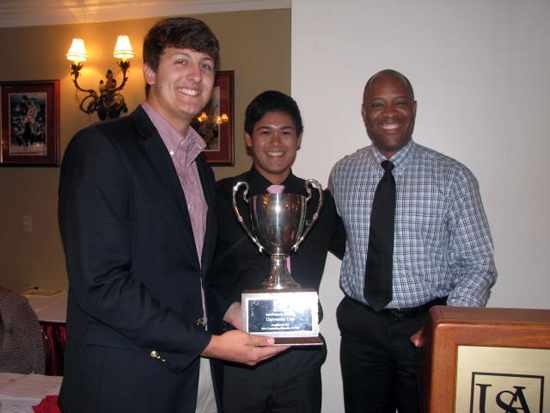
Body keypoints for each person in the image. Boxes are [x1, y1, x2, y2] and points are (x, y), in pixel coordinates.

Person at [57, 18, 286, 413]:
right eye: (180, 61)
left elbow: (191, 277)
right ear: (148, 70)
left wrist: (234, 312)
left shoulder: (199, 166)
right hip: (124, 382)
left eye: (206, 65)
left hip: (193, 377)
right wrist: (212, 344)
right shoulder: (101, 147)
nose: (195, 76)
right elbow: (102, 284)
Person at [329, 69, 497, 413]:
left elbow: (479, 264)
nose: (389, 113)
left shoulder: (453, 177)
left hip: (424, 328)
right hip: (361, 329)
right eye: (378, 104)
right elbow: (344, 241)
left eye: (400, 103)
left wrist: (444, 327)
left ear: (414, 108)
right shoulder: (343, 172)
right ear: (364, 113)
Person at [208, 90, 346, 412]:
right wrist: (226, 310)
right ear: (248, 138)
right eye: (265, 132)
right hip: (238, 352)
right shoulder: (221, 198)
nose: (275, 142)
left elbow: (360, 253)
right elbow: (194, 270)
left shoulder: (319, 204)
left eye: (285, 133)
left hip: (301, 356)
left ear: (299, 139)